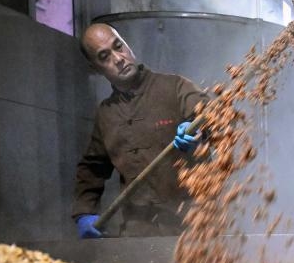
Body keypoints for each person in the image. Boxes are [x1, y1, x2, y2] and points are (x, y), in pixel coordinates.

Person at [72, 23, 209, 238]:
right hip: (137, 232)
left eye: (119, 46)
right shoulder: (106, 114)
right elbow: (92, 168)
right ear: (95, 68)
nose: (118, 59)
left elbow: (209, 114)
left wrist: (198, 136)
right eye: (104, 56)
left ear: (128, 45)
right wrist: (84, 213)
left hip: (191, 227)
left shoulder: (174, 86)